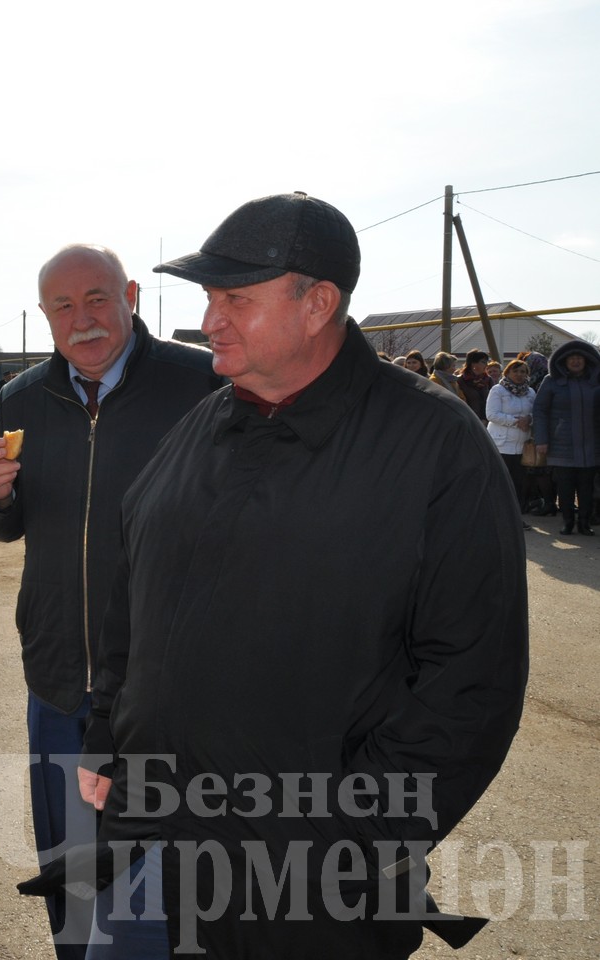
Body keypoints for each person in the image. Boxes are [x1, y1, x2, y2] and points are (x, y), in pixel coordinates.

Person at [78, 193, 527, 958]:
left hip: (320, 889)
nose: (209, 319)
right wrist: (109, 736)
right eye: (208, 298)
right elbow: (133, 594)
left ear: (317, 303)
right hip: (173, 846)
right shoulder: (203, 424)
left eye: (235, 299)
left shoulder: (431, 444)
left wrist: (351, 839)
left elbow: (472, 679)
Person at [0, 243, 221, 959]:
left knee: (150, 880)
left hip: (157, 682)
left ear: (130, 295)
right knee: (70, 865)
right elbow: (7, 523)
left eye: (96, 298)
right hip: (55, 677)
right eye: (62, 306)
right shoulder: (21, 399)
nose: (82, 320)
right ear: (44, 315)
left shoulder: (198, 382)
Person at [532, 339, 600, 536]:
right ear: (564, 361)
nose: (576, 361)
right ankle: (568, 522)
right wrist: (541, 440)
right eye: (572, 358)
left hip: (591, 445)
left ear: (587, 361)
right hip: (562, 445)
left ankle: (584, 523)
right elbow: (540, 411)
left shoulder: (596, 381)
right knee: (566, 487)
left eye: (580, 358)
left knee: (587, 488)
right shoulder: (551, 381)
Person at [486, 358, 537, 514]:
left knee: (519, 483)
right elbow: (492, 414)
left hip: (522, 444)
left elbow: (535, 412)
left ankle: (516, 515)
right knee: (502, 482)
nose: (519, 374)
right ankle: (499, 513)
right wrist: (516, 422)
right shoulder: (498, 390)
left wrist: (529, 419)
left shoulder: (530, 392)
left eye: (523, 371)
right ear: (507, 372)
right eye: (515, 371)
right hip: (502, 443)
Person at [457, 347, 492, 418]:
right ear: (473, 364)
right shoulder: (460, 380)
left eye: (487, 362)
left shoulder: (488, 380)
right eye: (483, 362)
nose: (487, 365)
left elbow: (493, 402)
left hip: (487, 421)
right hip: (468, 420)